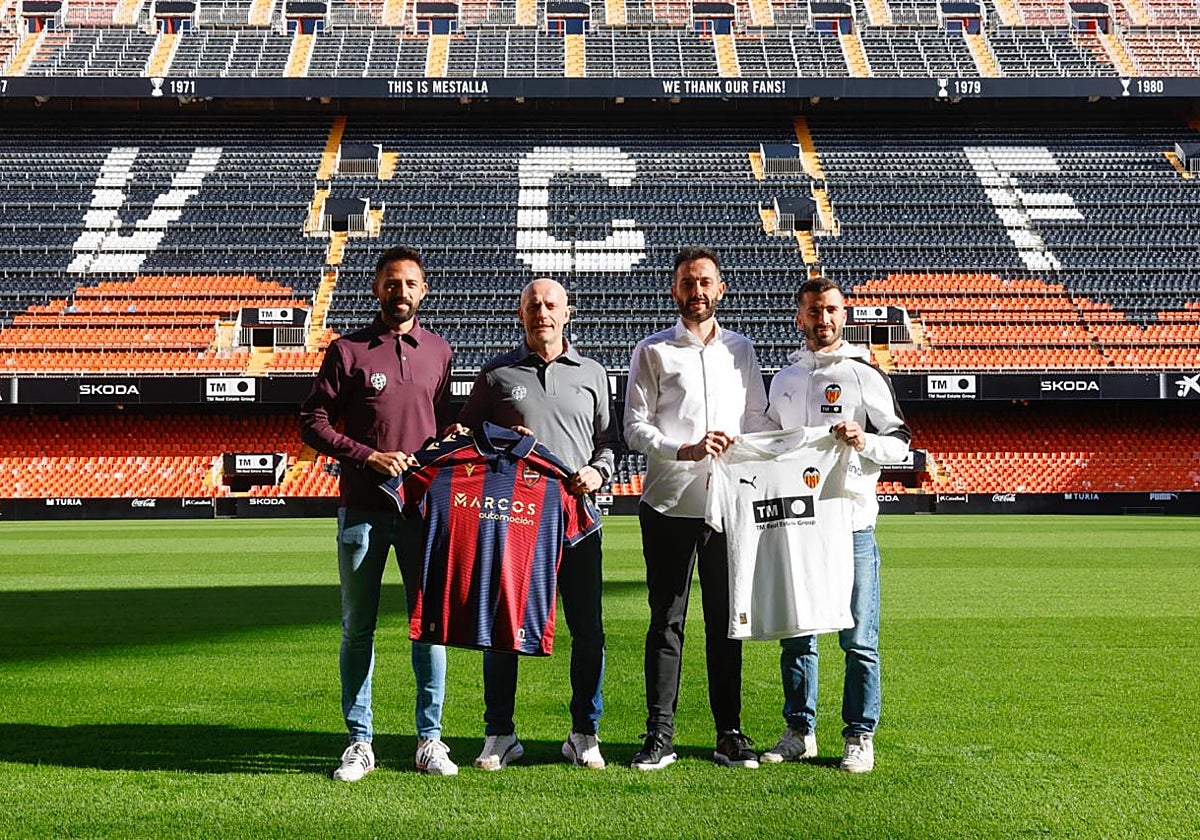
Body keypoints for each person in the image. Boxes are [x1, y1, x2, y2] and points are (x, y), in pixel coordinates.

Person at [300, 245, 458, 781]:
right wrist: (368, 456)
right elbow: (313, 422)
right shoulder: (347, 351)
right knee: (357, 627)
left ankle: (429, 740)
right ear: (376, 288)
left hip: (421, 512)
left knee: (430, 627)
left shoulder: (439, 351)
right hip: (362, 509)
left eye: (410, 283)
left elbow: (439, 426)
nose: (401, 292)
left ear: (424, 291)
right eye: (392, 282)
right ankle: (360, 741)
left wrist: (452, 438)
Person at [457, 278, 619, 771]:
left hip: (578, 523)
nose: (542, 312)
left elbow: (609, 443)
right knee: (502, 629)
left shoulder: (593, 373)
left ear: (567, 313)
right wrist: (499, 436)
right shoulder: (496, 374)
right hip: (516, 525)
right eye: (533, 305)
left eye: (551, 305)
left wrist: (599, 471)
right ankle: (500, 733)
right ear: (520, 313)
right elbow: (464, 437)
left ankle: (584, 732)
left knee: (587, 630)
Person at [623, 245, 772, 771]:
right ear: (674, 290)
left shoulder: (741, 350)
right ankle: (659, 734)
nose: (697, 291)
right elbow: (634, 427)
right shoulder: (653, 350)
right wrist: (682, 449)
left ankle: (728, 733)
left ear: (721, 289)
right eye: (688, 282)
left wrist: (750, 447)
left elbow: (758, 419)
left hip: (728, 506)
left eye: (705, 282)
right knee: (666, 621)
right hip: (669, 502)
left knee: (725, 622)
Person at [760, 276, 911, 774]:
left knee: (859, 639)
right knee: (796, 635)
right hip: (796, 526)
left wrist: (864, 440)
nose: (822, 319)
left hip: (851, 527)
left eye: (830, 310)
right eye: (813, 310)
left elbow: (901, 443)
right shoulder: (783, 378)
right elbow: (768, 442)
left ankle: (859, 735)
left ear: (843, 315)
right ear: (799, 317)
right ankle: (799, 731)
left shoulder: (865, 374)